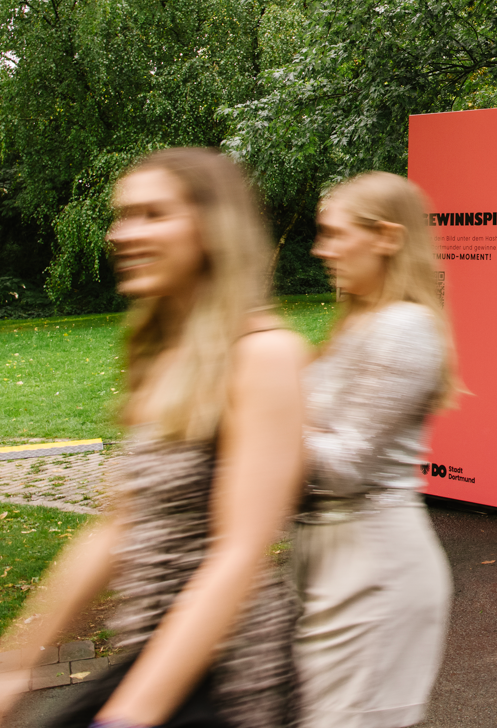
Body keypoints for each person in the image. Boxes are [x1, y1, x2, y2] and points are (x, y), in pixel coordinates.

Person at [0, 149, 306, 727]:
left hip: (225, 676)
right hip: (151, 652)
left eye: (151, 214)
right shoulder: (161, 353)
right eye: (122, 215)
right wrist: (16, 664)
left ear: (212, 229)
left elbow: (239, 554)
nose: (120, 234)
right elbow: (117, 525)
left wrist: (130, 714)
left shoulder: (263, 354)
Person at [297, 171, 458, 728]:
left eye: (335, 233)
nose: (322, 249)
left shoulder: (404, 327)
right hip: (331, 558)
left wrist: (260, 420)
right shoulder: (359, 321)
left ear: (387, 237)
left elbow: (342, 466)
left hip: (374, 572)